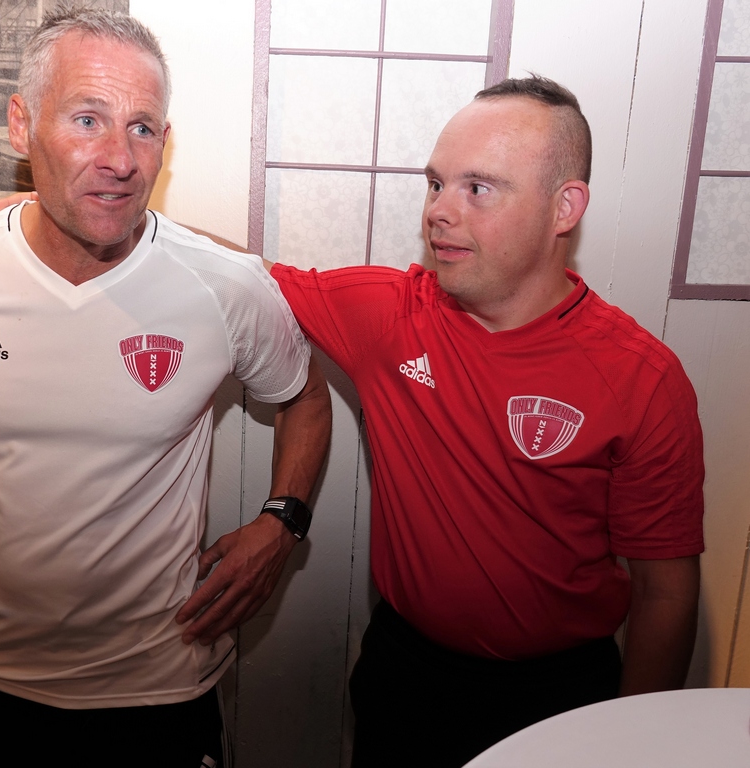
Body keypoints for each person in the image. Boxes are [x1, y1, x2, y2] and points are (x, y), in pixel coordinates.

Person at [0, 8, 330, 768]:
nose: (119, 158)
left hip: (161, 692)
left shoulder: (224, 285)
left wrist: (282, 523)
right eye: (87, 120)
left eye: (142, 128)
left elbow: (305, 397)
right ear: (21, 126)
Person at [270, 76, 703, 766]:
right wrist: (123, 220)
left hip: (560, 695)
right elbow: (241, 274)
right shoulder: (391, 315)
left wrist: (634, 745)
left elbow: (665, 591)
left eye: (477, 188)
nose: (438, 211)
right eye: (435, 184)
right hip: (404, 674)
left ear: (564, 207)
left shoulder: (639, 377)